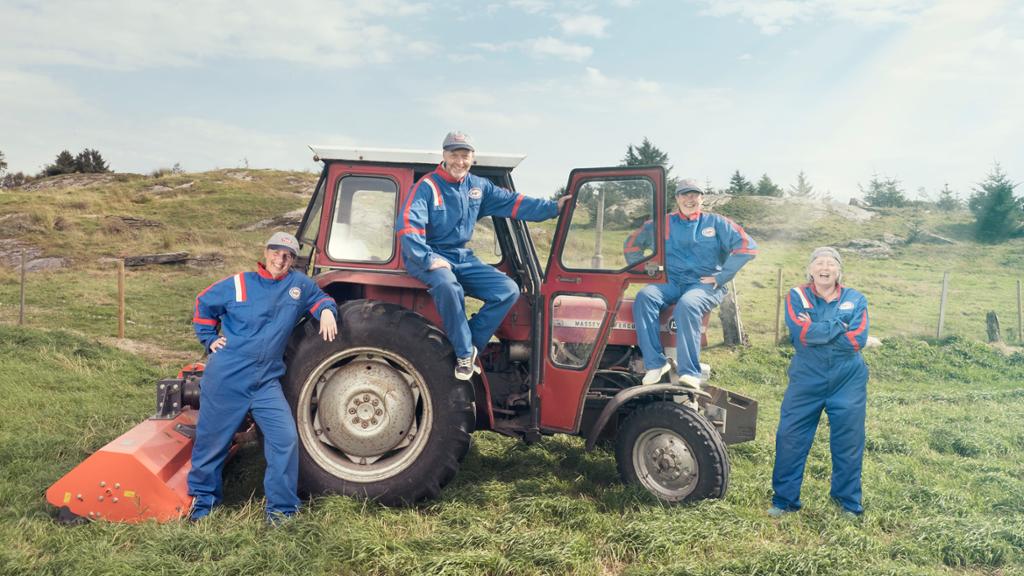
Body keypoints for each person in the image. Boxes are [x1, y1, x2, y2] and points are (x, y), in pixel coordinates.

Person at [188, 231, 338, 523]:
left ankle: (281, 511)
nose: (280, 259)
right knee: (212, 442)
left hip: (266, 381)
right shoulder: (239, 283)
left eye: (287, 255)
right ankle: (203, 506)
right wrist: (208, 338)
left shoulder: (298, 285)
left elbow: (320, 298)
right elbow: (203, 303)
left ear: (293, 260)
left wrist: (328, 312)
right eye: (276, 252)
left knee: (284, 439)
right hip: (228, 376)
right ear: (266, 251)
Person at [397, 131, 568, 380]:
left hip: (460, 256)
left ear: (472, 157)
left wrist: (554, 208)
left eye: (464, 155)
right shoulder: (427, 187)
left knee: (507, 289)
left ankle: (468, 343)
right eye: (454, 154)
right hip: (427, 254)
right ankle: (464, 353)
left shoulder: (478, 187)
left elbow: (514, 203)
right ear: (444, 155)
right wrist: (427, 258)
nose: (459, 161)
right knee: (448, 286)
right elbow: (408, 225)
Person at [769, 246, 869, 518]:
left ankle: (847, 502)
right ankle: (785, 500)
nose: (825, 268)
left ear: (839, 271)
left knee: (848, 440)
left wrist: (817, 329)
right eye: (819, 263)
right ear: (810, 269)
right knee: (790, 437)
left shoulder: (856, 299)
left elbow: (856, 341)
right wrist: (839, 325)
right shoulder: (796, 295)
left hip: (847, 379)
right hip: (806, 378)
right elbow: (801, 334)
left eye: (831, 264)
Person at [628, 179, 757, 387]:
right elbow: (632, 245)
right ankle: (655, 363)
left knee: (688, 305)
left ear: (702, 198)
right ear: (677, 198)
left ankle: (689, 372)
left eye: (694, 195)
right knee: (645, 296)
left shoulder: (717, 223)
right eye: (685, 195)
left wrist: (722, 276)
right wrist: (644, 271)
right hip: (670, 282)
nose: (690, 199)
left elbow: (748, 247)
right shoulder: (663, 223)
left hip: (704, 284)